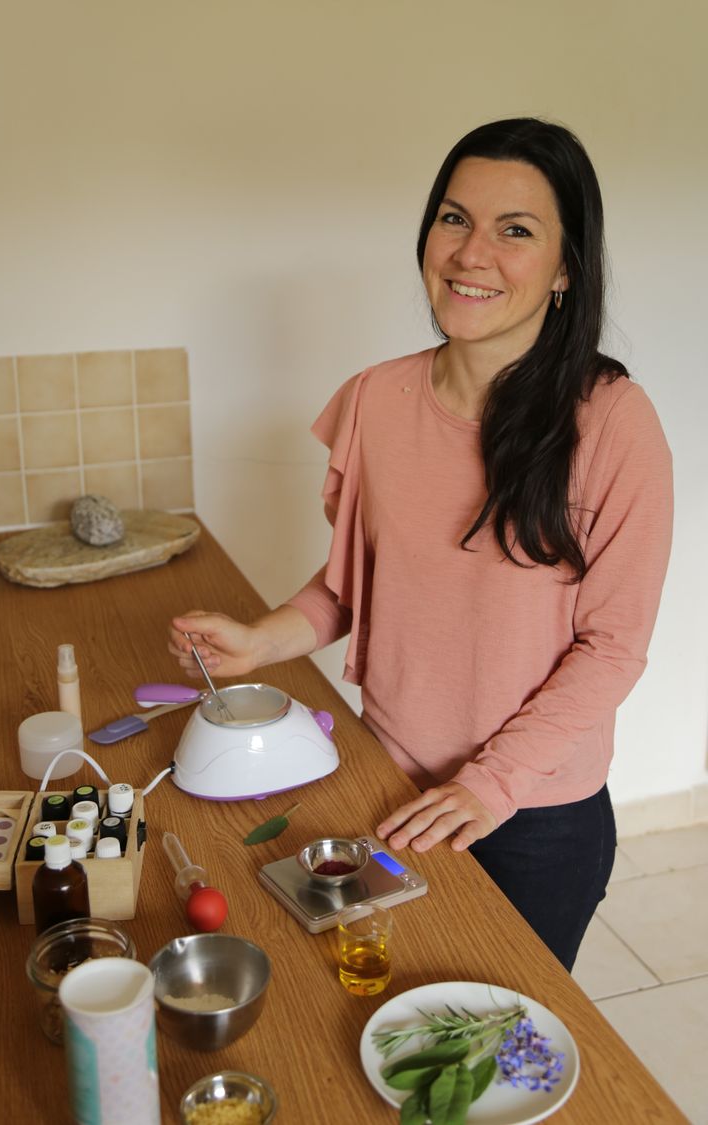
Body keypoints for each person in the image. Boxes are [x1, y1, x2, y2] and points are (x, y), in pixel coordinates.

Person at [168, 118, 673, 971]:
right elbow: (357, 584)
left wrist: (490, 783)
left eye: (517, 230)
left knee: (494, 1049)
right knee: (376, 1017)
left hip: (534, 815)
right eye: (454, 218)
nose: (473, 252)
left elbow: (615, 647)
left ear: (565, 269)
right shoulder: (376, 398)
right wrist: (263, 638)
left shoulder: (613, 422)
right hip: (385, 780)